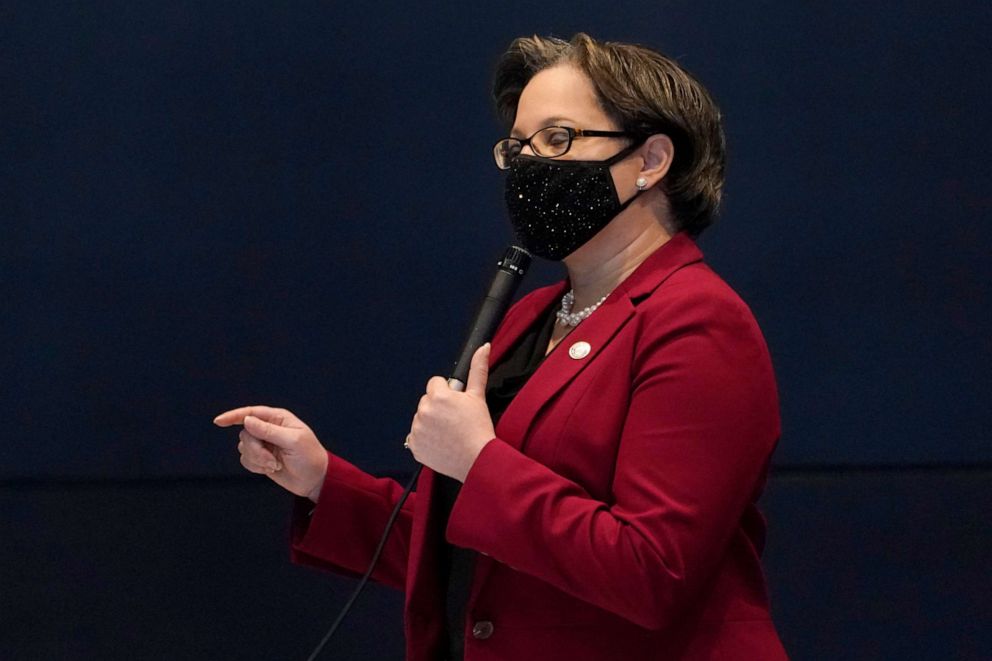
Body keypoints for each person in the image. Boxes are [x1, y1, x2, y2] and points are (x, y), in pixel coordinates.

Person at [215, 33, 787, 660]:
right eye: (518, 148)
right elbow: (481, 551)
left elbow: (652, 571)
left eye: (559, 139)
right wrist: (323, 479)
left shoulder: (698, 322)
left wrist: (478, 460)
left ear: (650, 160)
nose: (529, 166)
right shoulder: (529, 316)